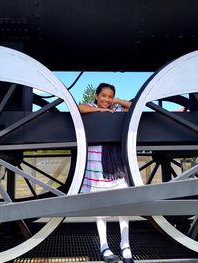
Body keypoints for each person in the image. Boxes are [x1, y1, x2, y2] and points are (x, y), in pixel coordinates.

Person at [78, 83, 134, 263]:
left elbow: (133, 108)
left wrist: (117, 101)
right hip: (94, 164)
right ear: (96, 96)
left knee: (123, 204)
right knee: (100, 207)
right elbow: (79, 107)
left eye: (110, 97)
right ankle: (104, 246)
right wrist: (100, 112)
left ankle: (125, 245)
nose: (107, 100)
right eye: (103, 96)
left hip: (114, 164)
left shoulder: (116, 108)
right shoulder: (92, 107)